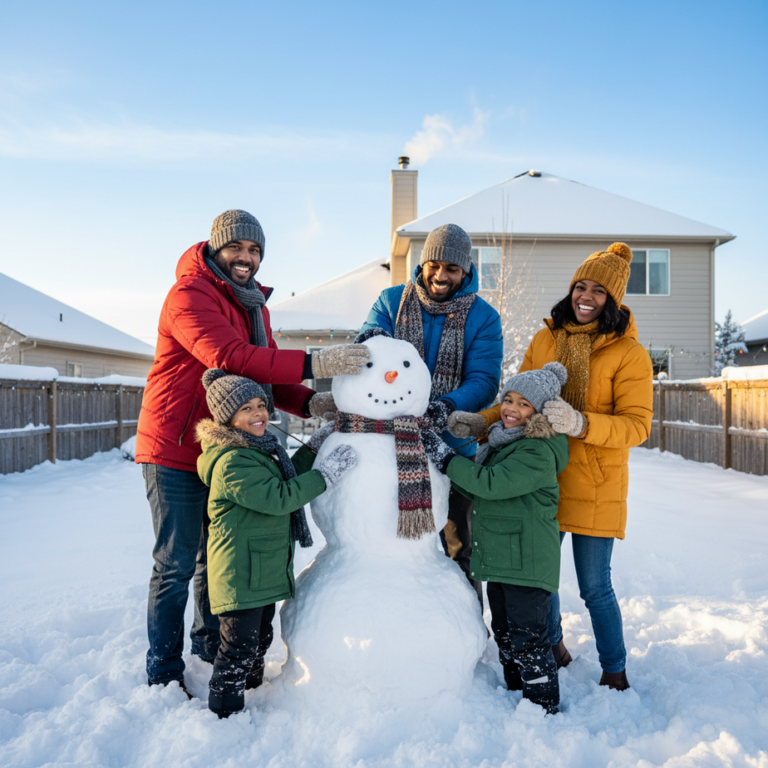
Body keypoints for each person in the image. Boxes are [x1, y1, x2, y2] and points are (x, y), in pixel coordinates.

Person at [135, 209, 369, 690]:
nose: (246, 257)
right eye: (237, 247)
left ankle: (207, 644)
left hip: (231, 445)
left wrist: (313, 402)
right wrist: (314, 361)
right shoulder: (189, 295)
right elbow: (229, 358)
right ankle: (163, 669)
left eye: (255, 250)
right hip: (176, 446)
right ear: (216, 248)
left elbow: (258, 379)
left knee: (213, 556)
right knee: (177, 561)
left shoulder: (253, 307)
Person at [448, 243, 653, 690]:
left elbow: (637, 426)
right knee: (541, 578)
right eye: (581, 285)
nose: (586, 296)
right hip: (542, 478)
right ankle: (555, 646)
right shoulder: (545, 340)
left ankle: (614, 669)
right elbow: (516, 403)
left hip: (597, 482)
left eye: (599, 290)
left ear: (613, 300)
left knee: (595, 586)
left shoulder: (628, 354)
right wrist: (478, 423)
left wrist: (581, 422)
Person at [195, 368, 357, 718]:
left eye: (260, 405)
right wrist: (326, 476)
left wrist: (315, 444)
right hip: (240, 573)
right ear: (227, 419)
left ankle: (252, 689)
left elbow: (288, 473)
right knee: (237, 648)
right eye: (246, 409)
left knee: (259, 638)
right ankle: (224, 712)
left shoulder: (259, 450)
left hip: (261, 569)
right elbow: (281, 496)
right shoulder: (232, 462)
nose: (258, 414)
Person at [359, 223, 503, 602]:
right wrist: (370, 343)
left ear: (465, 272)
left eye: (452, 269)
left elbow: (485, 381)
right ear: (422, 265)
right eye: (434, 265)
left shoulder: (483, 317)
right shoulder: (391, 302)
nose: (441, 276)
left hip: (453, 449)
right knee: (394, 538)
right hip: (391, 444)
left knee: (458, 546)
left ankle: (468, 624)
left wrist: (445, 408)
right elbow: (370, 350)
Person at [423, 363, 569, 714]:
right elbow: (476, 480)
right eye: (508, 400)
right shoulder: (504, 443)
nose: (511, 409)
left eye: (524, 404)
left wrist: (445, 458)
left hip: (527, 563)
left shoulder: (537, 451)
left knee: (529, 638)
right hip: (507, 560)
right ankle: (514, 690)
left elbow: (490, 484)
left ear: (539, 413)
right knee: (504, 630)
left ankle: (543, 705)